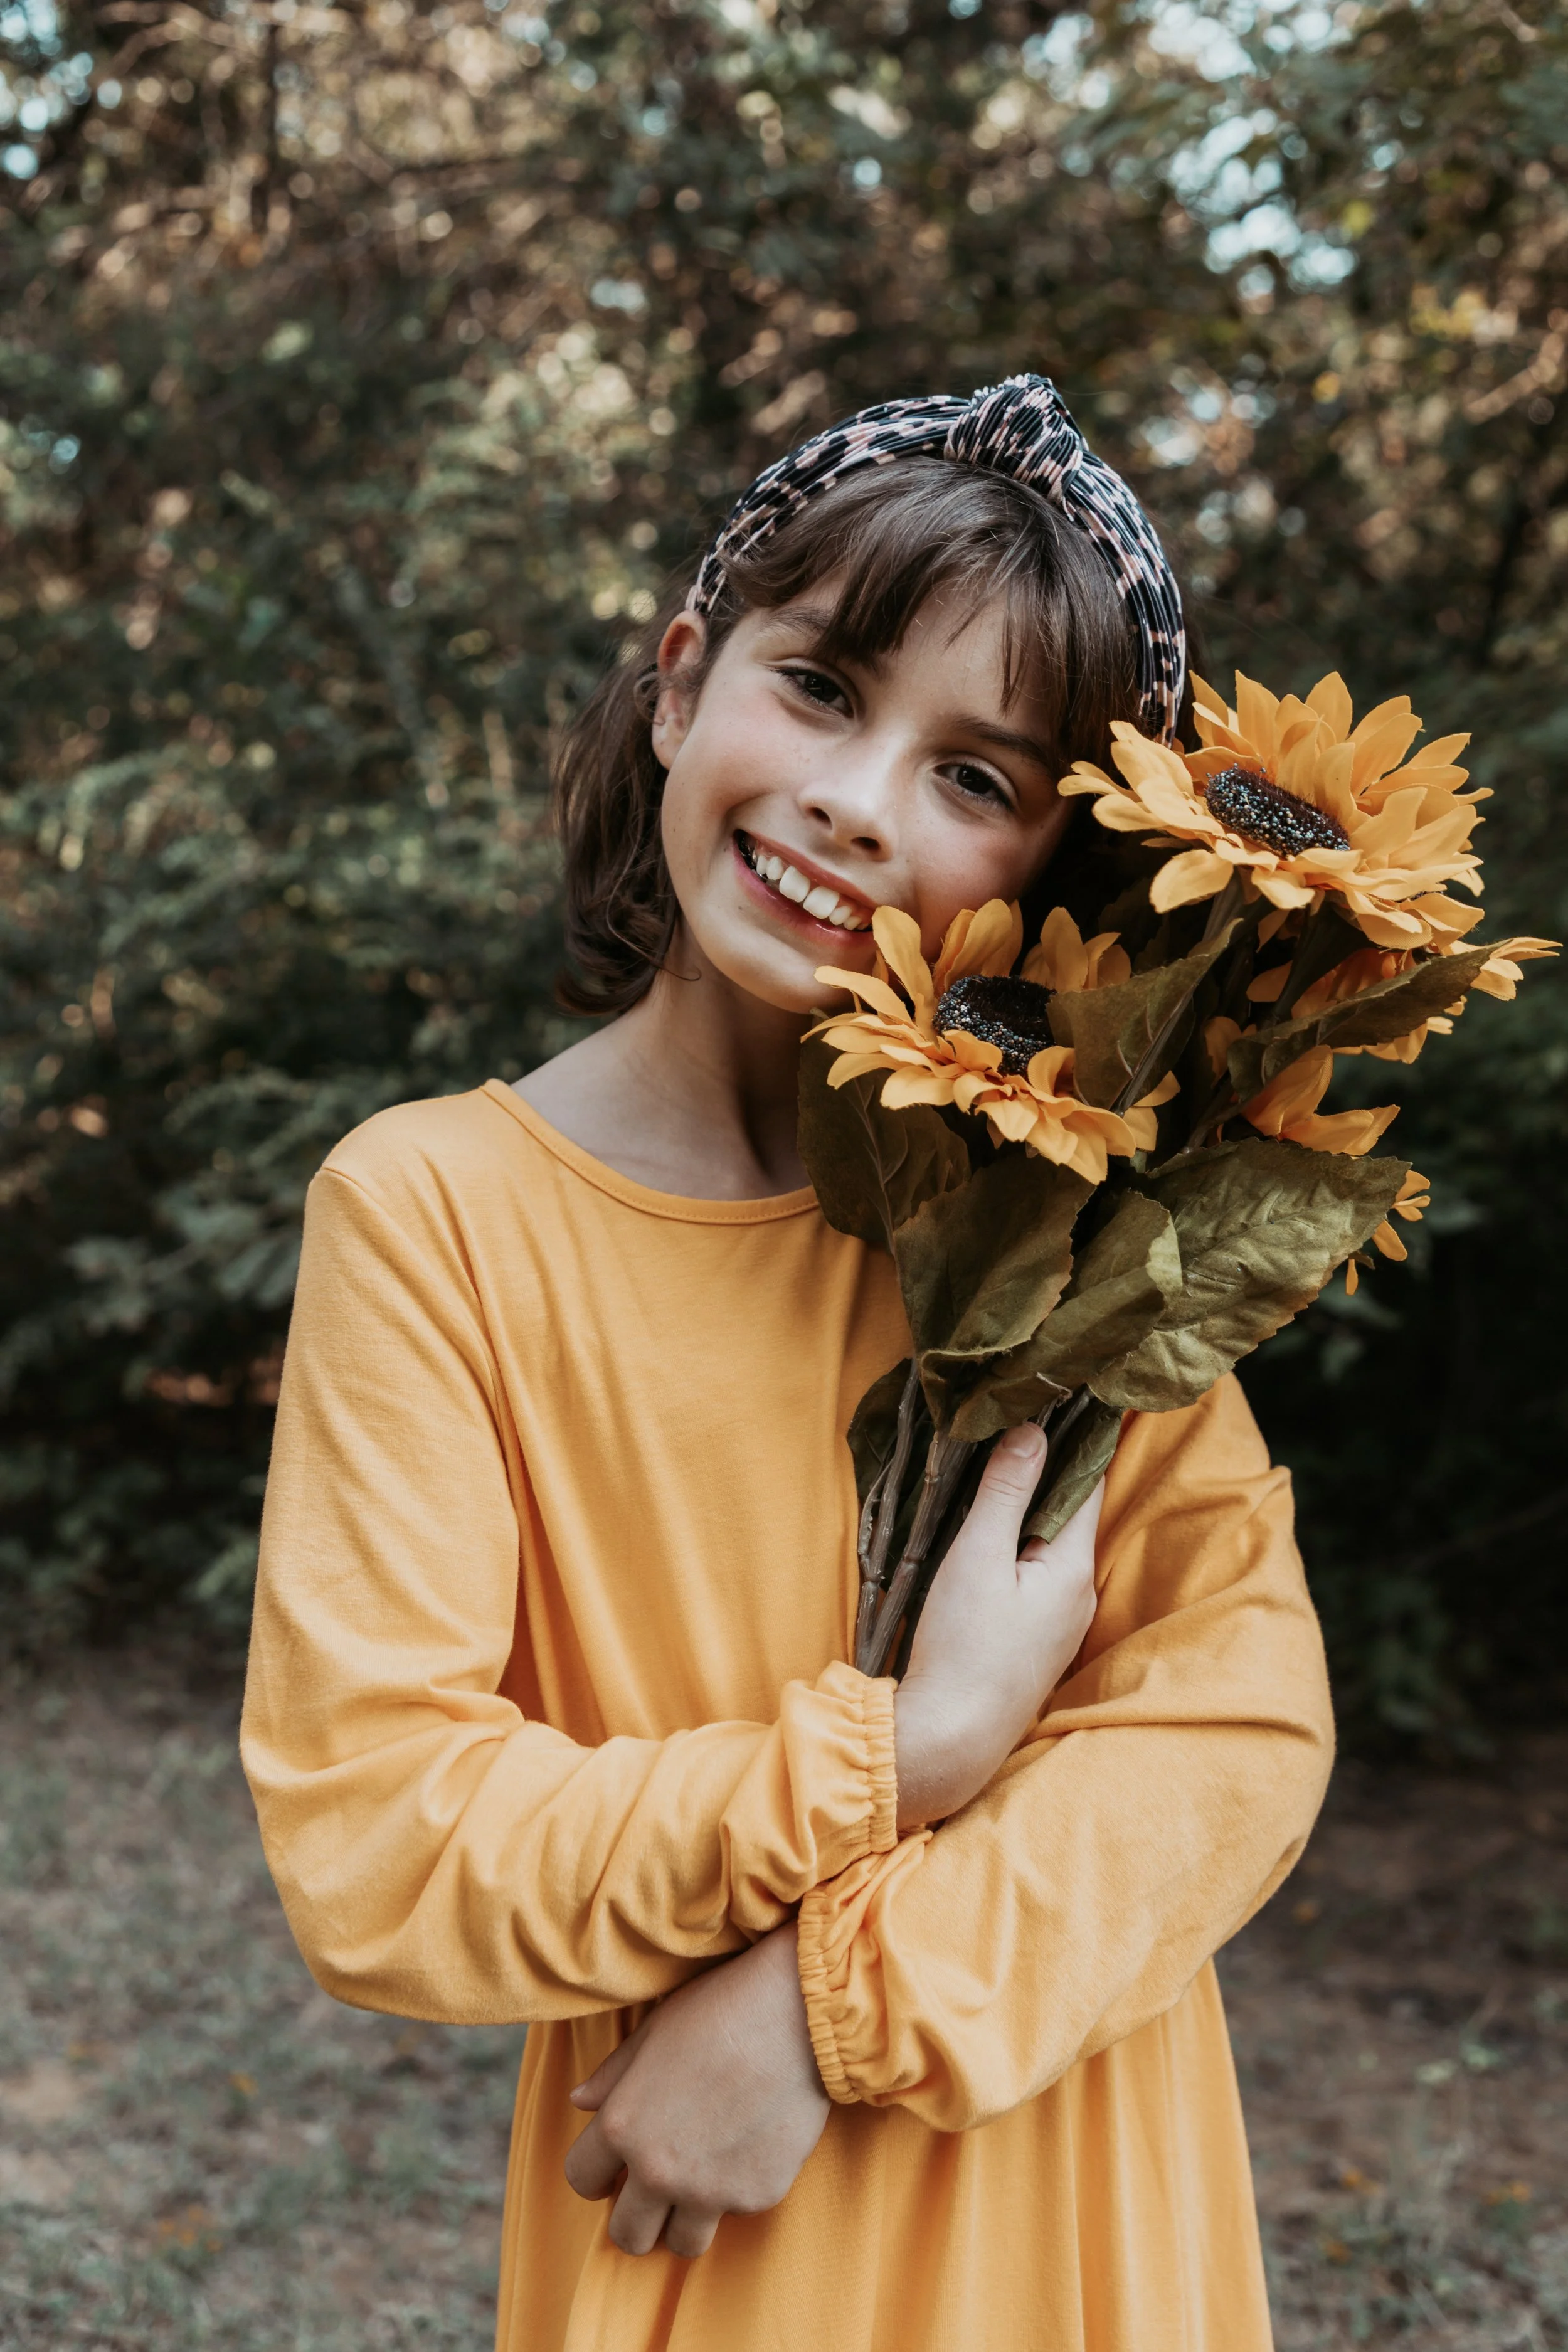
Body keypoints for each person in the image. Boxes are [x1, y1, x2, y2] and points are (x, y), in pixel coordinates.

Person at [241, 376, 1333, 2352]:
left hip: (1072, 2181)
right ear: (680, 682)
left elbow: (1236, 1730)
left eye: (975, 776)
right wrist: (896, 1755)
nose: (854, 796)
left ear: (1051, 874)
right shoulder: (434, 1215)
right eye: (822, 686)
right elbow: (384, 1835)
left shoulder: (1078, 1214)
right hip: (709, 2245)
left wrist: (824, 2009)